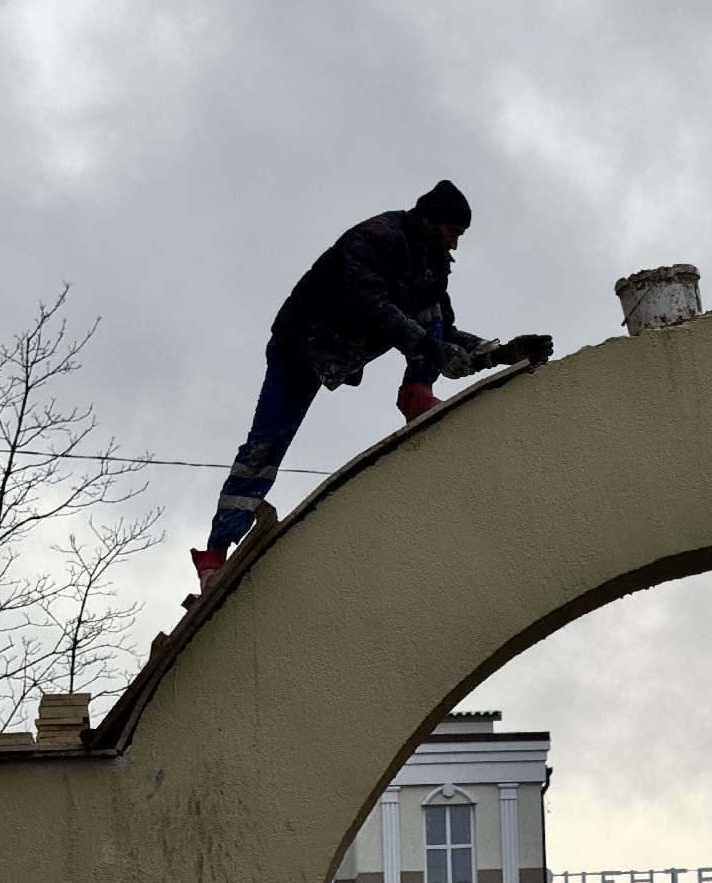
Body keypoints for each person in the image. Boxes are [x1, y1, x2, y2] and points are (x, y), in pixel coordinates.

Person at [190, 179, 553, 588]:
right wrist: (432, 350)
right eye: (453, 233)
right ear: (430, 221)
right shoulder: (378, 237)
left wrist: (500, 353)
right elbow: (368, 305)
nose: (455, 245)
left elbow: (443, 333)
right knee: (265, 444)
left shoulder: (433, 265)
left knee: (429, 311)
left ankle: (417, 393)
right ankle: (216, 552)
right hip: (301, 345)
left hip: (344, 345)